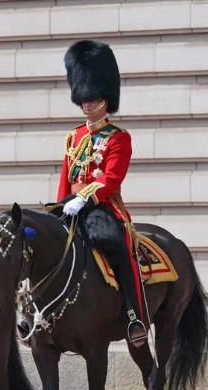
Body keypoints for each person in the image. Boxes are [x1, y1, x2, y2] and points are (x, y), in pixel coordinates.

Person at [56, 40, 147, 347]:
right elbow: (66, 177)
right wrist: (60, 206)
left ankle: (134, 315)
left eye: (91, 98)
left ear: (105, 99)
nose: (86, 104)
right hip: (71, 205)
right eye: (83, 98)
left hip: (102, 207)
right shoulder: (74, 136)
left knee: (118, 247)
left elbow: (111, 178)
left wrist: (85, 198)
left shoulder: (118, 137)